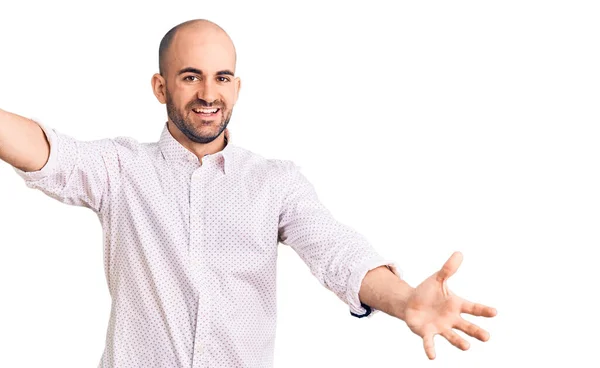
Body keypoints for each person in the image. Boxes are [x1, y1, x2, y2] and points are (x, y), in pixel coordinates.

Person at [0, 19, 496, 368]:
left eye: (222, 78)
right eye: (190, 77)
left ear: (237, 87)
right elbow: (44, 149)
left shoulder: (274, 183)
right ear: (160, 87)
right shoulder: (120, 170)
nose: (208, 94)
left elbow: (337, 252)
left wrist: (404, 298)